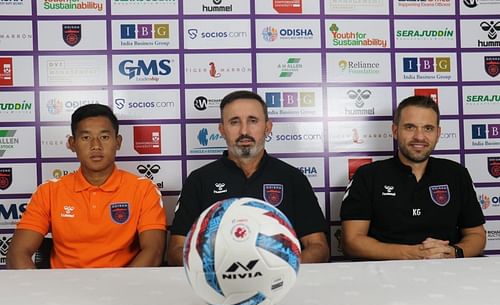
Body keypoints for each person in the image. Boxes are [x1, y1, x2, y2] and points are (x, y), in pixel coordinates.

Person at [167, 90, 330, 265]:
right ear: (222, 129)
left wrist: (281, 270)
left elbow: (318, 247)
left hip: (279, 286)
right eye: (234, 122)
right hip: (219, 288)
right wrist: (216, 272)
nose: (244, 130)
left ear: (268, 127)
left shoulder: (292, 178)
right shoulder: (199, 180)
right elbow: (177, 250)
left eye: (253, 121)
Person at [7, 104, 167, 269]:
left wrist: (122, 289)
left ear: (118, 142)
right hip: (63, 289)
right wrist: (42, 292)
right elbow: (18, 252)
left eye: (104, 137)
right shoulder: (48, 192)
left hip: (123, 287)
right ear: (72, 143)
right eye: (85, 138)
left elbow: (154, 251)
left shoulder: (143, 189)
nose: (95, 146)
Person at [340, 95, 486, 260]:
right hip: (384, 277)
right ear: (395, 131)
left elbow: (476, 235)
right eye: (410, 127)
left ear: (438, 133)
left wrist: (454, 252)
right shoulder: (367, 176)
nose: (419, 137)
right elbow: (351, 242)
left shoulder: (456, 174)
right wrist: (412, 253)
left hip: (447, 274)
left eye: (428, 128)